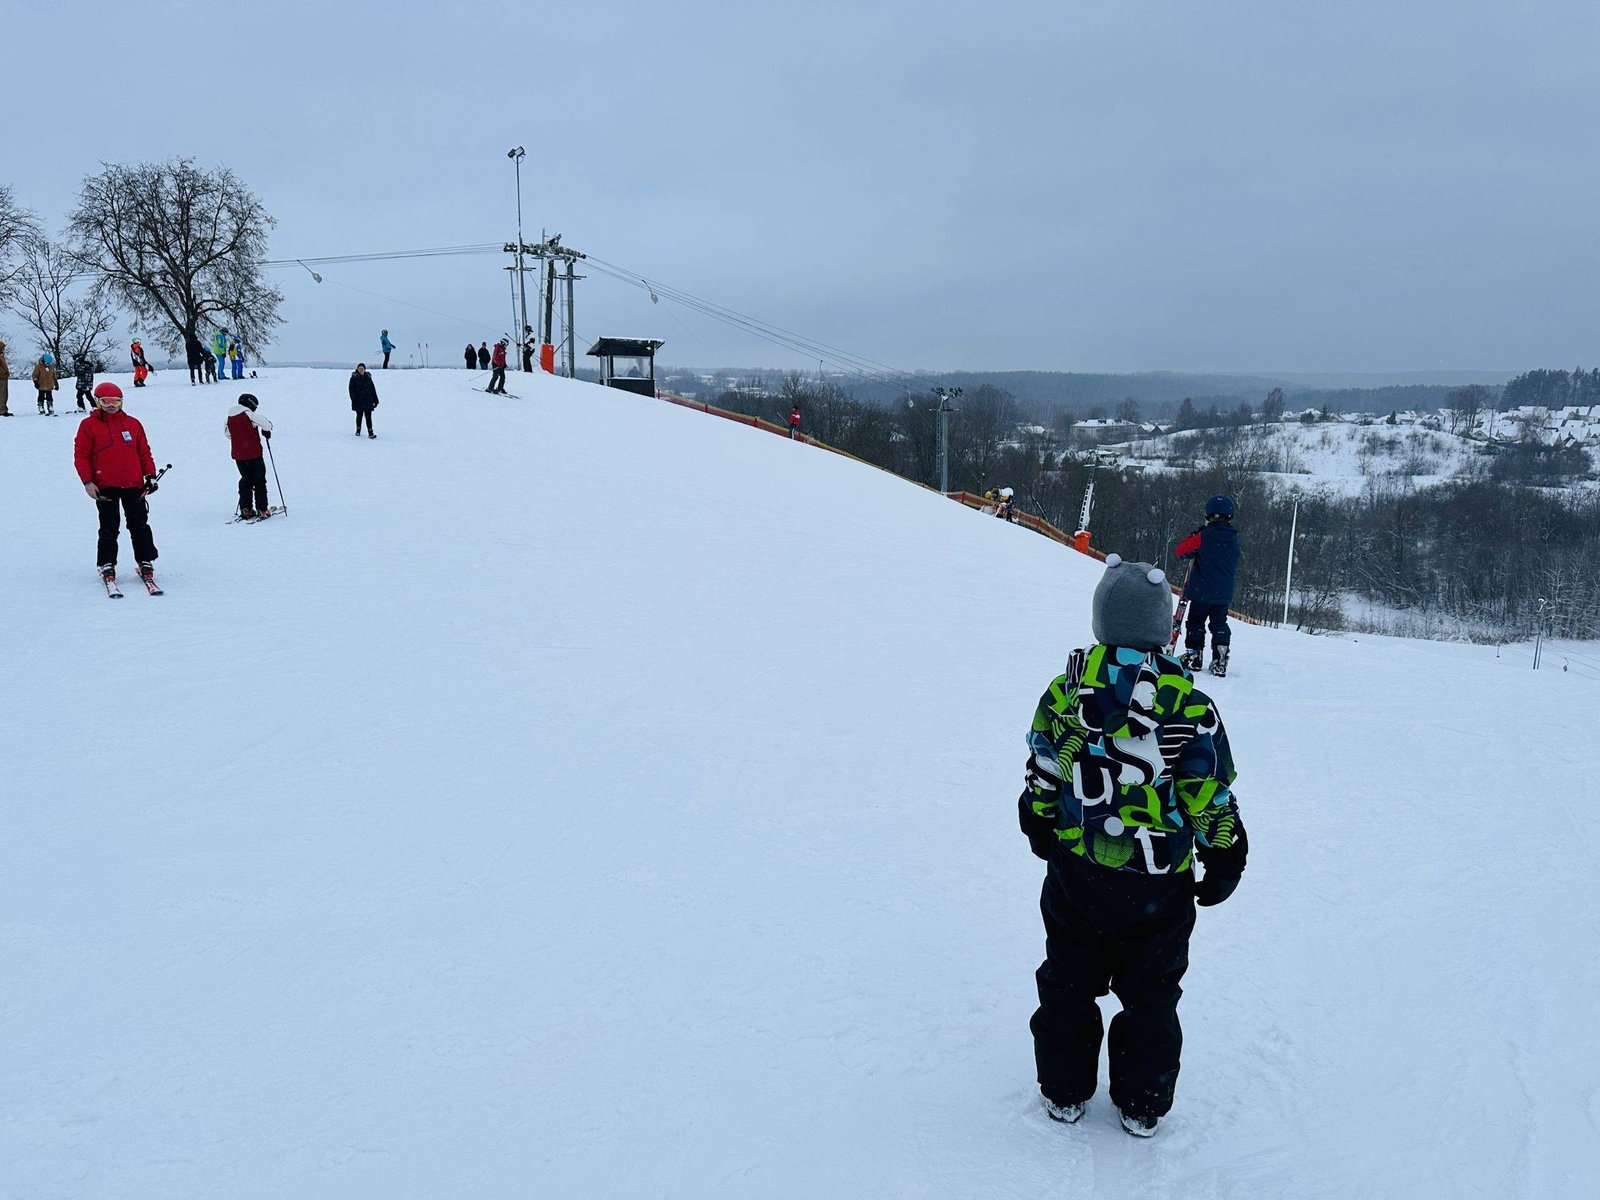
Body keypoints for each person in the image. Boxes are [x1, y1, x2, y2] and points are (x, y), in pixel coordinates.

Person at [1019, 553, 1247, 1138]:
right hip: (1158, 888)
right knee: (1150, 994)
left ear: (1100, 622)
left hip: (1076, 876)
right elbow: (1205, 790)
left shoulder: (1067, 688)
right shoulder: (1187, 705)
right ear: (1164, 627)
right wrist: (1223, 853)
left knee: (1068, 982)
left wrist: (1039, 818)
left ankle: (1065, 1091)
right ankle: (1142, 1101)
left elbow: (1046, 760)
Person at [75, 381, 161, 585]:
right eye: (105, 402)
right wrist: (87, 482)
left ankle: (145, 560)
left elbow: (144, 451)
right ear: (98, 402)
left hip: (133, 484)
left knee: (139, 525)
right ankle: (107, 563)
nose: (111, 405)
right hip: (105, 485)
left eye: (115, 401)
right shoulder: (88, 426)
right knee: (109, 527)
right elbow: (81, 456)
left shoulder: (133, 423)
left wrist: (150, 475)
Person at [1173, 495, 1241, 677]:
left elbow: (1181, 551)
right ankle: (1220, 657)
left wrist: (1195, 537)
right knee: (1219, 622)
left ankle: (1194, 655)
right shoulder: (1234, 538)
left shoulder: (1203, 536)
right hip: (1223, 592)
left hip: (1200, 590)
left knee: (1196, 622)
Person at [226, 392, 274, 519]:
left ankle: (245, 508)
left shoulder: (229, 418)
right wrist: (266, 430)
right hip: (254, 454)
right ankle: (262, 509)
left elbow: (227, 434)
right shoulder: (249, 415)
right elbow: (266, 424)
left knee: (246, 479)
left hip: (238, 455)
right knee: (259, 481)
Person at [349, 362, 379, 437]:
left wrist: (375, 400)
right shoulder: (354, 378)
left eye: (362, 368)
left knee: (368, 417)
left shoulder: (368, 377)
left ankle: (370, 432)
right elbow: (351, 390)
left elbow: (372, 389)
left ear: (365, 369)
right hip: (358, 401)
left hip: (368, 400)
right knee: (359, 416)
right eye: (359, 368)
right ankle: (358, 430)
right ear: (357, 369)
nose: (361, 370)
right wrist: (354, 399)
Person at [0, 338, 10, 416]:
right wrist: (4, 372)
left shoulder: (1, 355)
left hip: (4, 378)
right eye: (2, 347)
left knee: (5, 394)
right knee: (2, 394)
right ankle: (2, 410)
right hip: (1, 378)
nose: (4, 349)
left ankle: (3, 409)